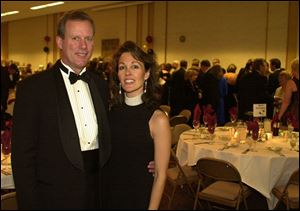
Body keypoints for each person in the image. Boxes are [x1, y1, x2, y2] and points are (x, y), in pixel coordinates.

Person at [11, 10, 112, 209]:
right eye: (75, 38)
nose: (83, 46)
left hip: (97, 195)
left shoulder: (100, 85)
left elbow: (109, 139)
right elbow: (23, 160)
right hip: (54, 198)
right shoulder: (33, 89)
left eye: (88, 38)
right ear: (60, 42)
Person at [106, 41, 171, 209]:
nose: (128, 73)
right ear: (117, 75)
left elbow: (161, 175)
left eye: (135, 66)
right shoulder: (109, 111)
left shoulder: (158, 119)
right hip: (107, 195)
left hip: (138, 196)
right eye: (122, 67)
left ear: (147, 73)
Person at [278, 58, 299, 131]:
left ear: (293, 68)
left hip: (294, 113)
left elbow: (286, 102)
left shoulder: (291, 83)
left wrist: (279, 117)